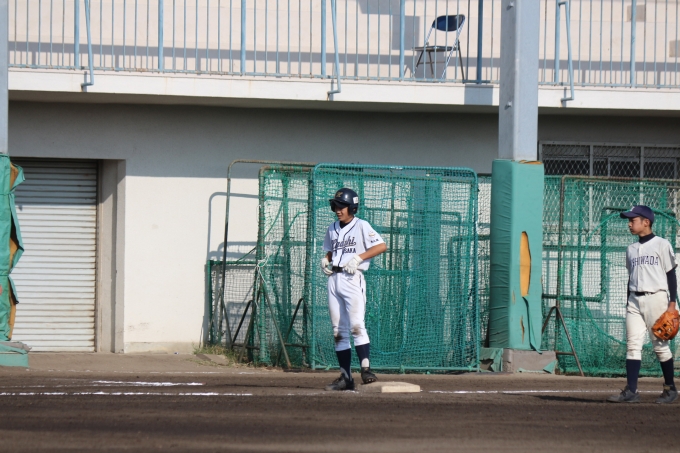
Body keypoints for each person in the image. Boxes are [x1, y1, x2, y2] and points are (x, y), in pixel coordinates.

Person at [608, 205, 678, 404]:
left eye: (633, 220)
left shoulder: (662, 244)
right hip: (634, 300)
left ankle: (670, 388)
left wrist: (672, 303)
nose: (629, 224)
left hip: (656, 298)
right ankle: (631, 390)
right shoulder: (630, 249)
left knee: (660, 346)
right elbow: (631, 277)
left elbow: (671, 275)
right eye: (629, 221)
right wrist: (627, 301)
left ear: (646, 222)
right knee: (632, 345)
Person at [320, 188, 387, 391]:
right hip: (334, 279)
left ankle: (366, 370)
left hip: (352, 278)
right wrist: (326, 259)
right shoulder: (332, 228)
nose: (338, 210)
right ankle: (346, 377)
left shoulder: (361, 225)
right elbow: (332, 250)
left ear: (352, 207)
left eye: (342, 206)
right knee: (338, 330)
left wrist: (359, 258)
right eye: (336, 206)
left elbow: (381, 246)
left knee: (357, 325)